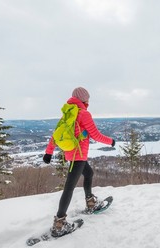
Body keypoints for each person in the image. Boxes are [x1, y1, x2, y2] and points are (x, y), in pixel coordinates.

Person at [43, 87, 115, 237]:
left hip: (71, 154)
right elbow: (95, 135)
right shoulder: (83, 114)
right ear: (84, 99)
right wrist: (111, 141)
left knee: (89, 173)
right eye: (88, 99)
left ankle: (91, 203)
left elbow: (56, 135)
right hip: (79, 156)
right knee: (69, 188)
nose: (89, 101)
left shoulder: (68, 112)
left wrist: (48, 153)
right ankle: (59, 224)